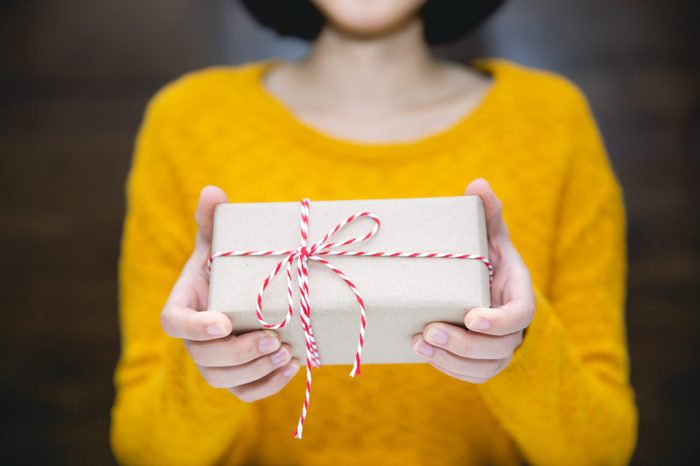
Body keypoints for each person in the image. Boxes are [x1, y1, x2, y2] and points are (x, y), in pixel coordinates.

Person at [110, 0, 637, 464]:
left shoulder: (548, 119)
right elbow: (143, 450)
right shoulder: (188, 121)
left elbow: (599, 451)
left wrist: (521, 344)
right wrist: (205, 362)